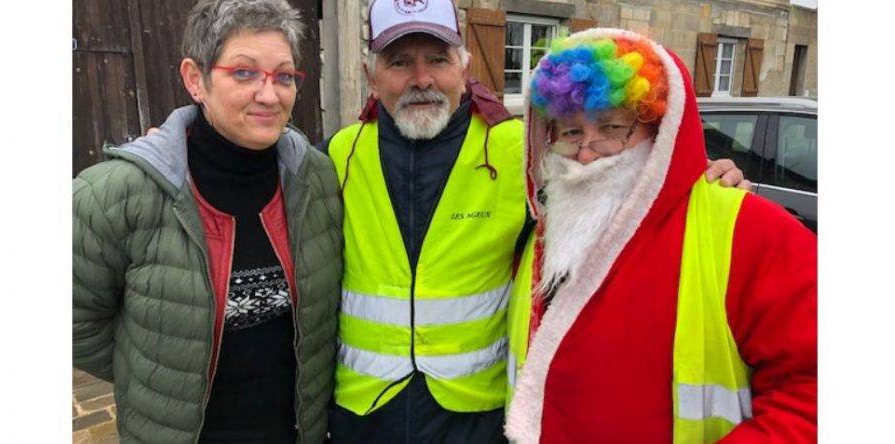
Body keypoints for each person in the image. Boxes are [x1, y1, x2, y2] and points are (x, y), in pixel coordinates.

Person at [321, 1, 748, 442]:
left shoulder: (520, 149)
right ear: (372, 77)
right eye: (399, 62)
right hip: (364, 412)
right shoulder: (337, 155)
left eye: (437, 59)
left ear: (464, 66)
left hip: (476, 413)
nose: (422, 78)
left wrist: (702, 175)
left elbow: (614, 183)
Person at [503, 28, 817, 443]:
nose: (585, 153)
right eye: (572, 133)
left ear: (660, 130)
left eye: (612, 127)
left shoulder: (753, 230)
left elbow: (815, 393)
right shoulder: (545, 231)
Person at [72, 0, 342, 442]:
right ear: (195, 79)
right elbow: (71, 319)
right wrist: (153, 368)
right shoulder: (115, 195)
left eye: (284, 75)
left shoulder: (317, 178)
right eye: (244, 72)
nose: (270, 94)